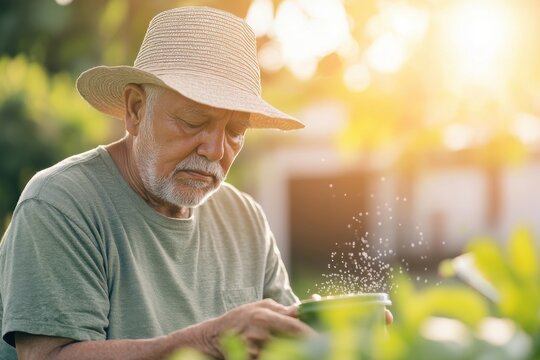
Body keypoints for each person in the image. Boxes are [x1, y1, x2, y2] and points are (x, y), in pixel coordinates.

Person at [0, 6, 314, 360]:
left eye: (235, 131)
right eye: (193, 121)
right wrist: (209, 340)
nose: (214, 149)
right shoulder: (60, 205)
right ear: (135, 109)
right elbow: (45, 357)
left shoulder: (245, 219)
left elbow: (283, 347)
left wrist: (323, 333)